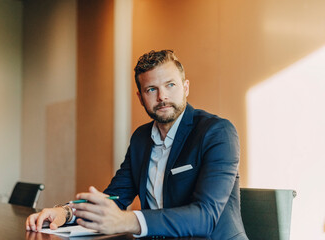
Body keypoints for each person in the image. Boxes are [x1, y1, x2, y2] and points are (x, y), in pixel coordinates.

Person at [26, 49, 248, 239]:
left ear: (185, 87)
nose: (162, 97)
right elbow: (114, 198)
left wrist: (126, 221)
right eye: (151, 89)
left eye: (170, 85)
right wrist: (65, 213)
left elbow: (205, 217)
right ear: (140, 97)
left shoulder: (217, 132)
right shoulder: (141, 138)